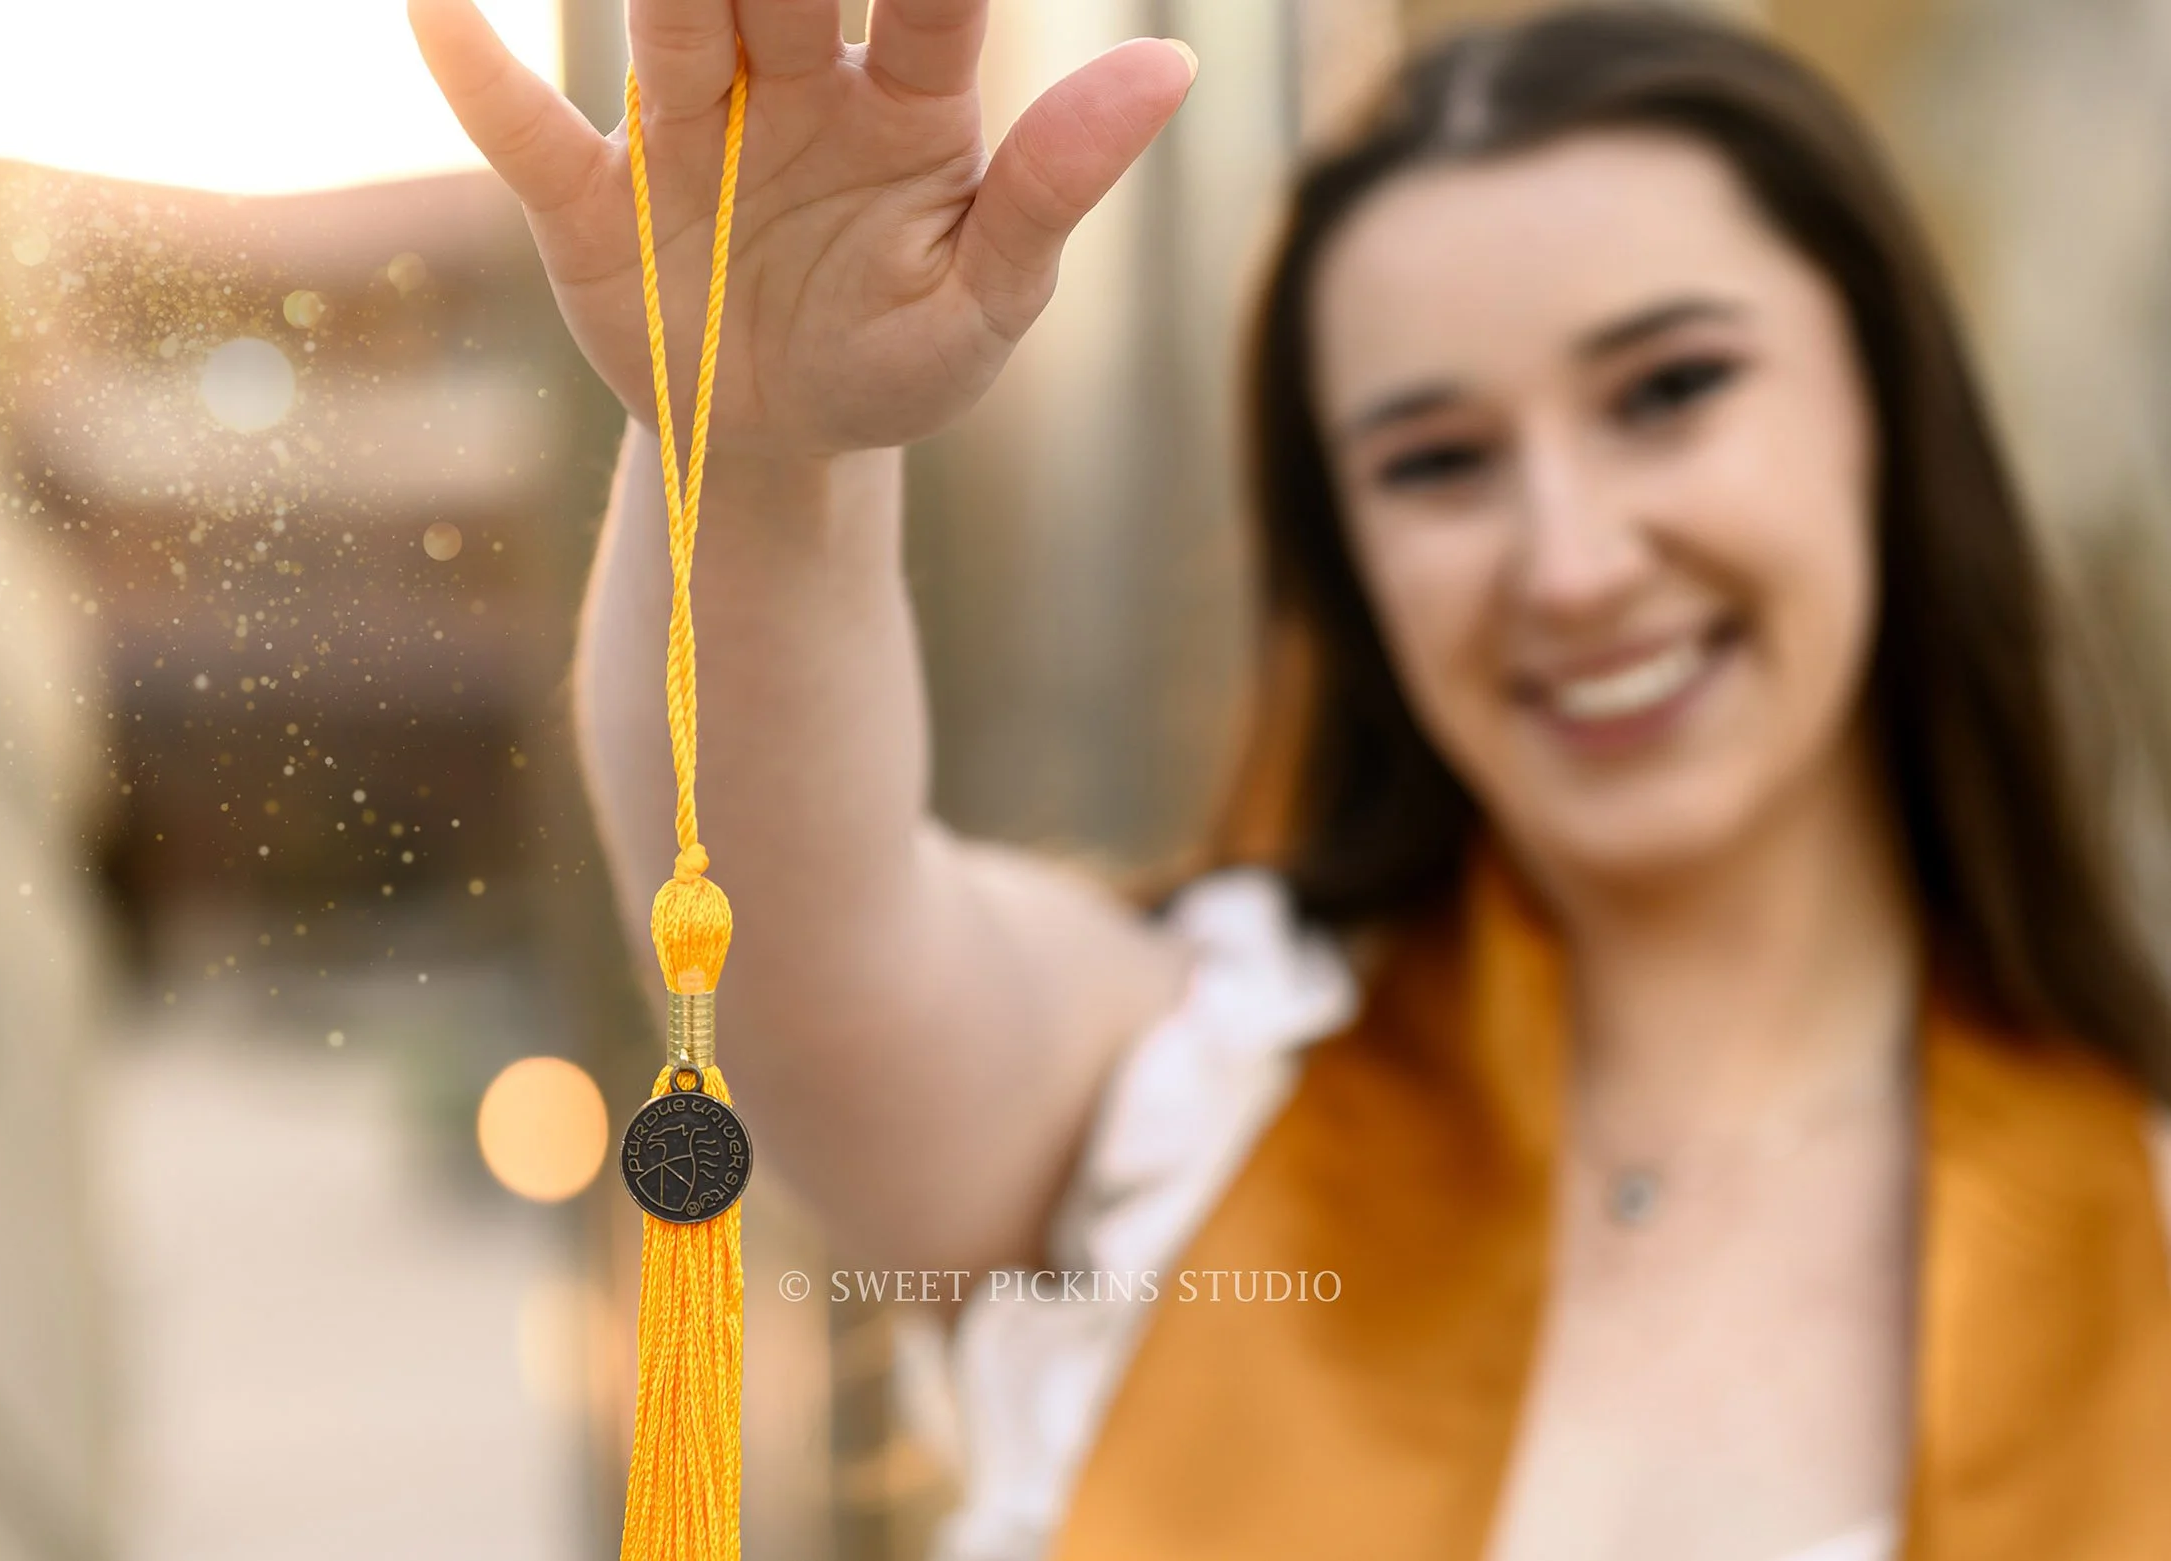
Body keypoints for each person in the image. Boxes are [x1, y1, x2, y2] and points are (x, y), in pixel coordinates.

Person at [410, 1, 2171, 1556]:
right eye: (1436, 463)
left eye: (1669, 389)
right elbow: (811, 956)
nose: (1567, 563)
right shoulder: (1184, 1083)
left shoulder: (2136, 1203)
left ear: (1885, 410)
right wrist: (765, 446)